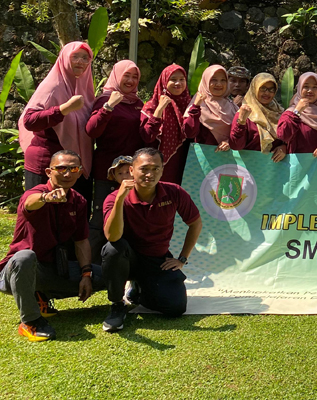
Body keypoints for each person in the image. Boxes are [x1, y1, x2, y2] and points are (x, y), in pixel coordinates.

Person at [0, 150, 104, 342]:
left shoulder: (78, 201)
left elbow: (81, 241)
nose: (67, 174)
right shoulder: (35, 193)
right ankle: (30, 321)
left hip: (52, 268)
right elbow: (29, 203)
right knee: (25, 257)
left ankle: (40, 295)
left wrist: (86, 274)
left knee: (106, 276)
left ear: (80, 172)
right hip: (16, 272)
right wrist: (45, 198)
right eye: (61, 168)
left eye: (73, 169)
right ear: (49, 172)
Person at [100, 147, 202, 332]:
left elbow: (195, 224)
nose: (150, 174)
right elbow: (112, 236)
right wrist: (120, 200)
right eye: (144, 168)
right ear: (132, 170)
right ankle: (117, 305)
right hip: (128, 260)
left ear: (162, 170)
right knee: (112, 248)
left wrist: (182, 259)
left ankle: (139, 291)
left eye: (156, 168)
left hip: (157, 260)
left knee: (176, 307)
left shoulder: (174, 192)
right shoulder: (114, 198)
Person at [18, 41, 95, 203]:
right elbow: (30, 121)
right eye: (75, 56)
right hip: (47, 166)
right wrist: (64, 109)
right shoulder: (53, 86)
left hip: (75, 166)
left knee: (75, 212)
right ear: (65, 58)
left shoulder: (84, 86)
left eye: (85, 58)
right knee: (43, 212)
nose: (80, 62)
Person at [86, 60, 146, 262]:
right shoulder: (105, 99)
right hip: (108, 171)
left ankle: (121, 262)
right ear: (116, 75)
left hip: (131, 172)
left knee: (129, 216)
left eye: (135, 77)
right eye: (126, 75)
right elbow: (92, 130)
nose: (130, 80)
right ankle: (91, 265)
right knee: (101, 218)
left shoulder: (138, 103)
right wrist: (109, 106)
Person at [140, 64, 203, 185]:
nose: (178, 83)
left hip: (183, 165)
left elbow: (191, 133)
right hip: (155, 166)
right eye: (173, 79)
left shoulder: (189, 104)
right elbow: (147, 136)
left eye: (182, 79)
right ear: (164, 82)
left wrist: (195, 107)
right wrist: (159, 110)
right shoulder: (152, 106)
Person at [229, 73, 287, 162]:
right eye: (263, 88)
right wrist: (241, 122)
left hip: (273, 168)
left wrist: (284, 147)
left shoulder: (280, 113)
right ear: (254, 88)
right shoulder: (244, 112)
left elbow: (289, 139)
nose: (267, 93)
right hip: (249, 166)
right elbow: (236, 146)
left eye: (271, 89)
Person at [278, 72, 317, 155]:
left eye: (315, 87)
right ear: (300, 88)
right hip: (297, 162)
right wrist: (297, 112)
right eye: (306, 86)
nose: (310, 91)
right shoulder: (290, 112)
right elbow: (283, 135)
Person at [189, 65, 239, 152]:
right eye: (214, 80)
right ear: (206, 81)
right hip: (201, 157)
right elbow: (189, 132)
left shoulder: (233, 107)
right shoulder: (198, 103)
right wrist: (196, 107)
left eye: (223, 80)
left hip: (228, 158)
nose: (219, 84)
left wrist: (230, 142)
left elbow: (243, 134)